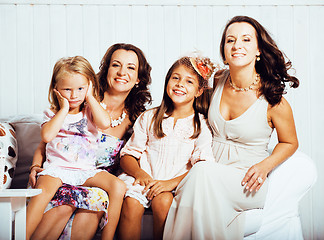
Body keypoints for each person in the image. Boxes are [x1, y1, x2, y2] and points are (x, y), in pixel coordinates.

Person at [163, 15, 299, 240]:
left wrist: (265, 166)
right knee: (201, 175)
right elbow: (185, 91)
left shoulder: (274, 100)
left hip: (245, 180)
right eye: (230, 40)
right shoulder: (217, 80)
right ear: (224, 50)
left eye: (246, 40)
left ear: (258, 50)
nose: (237, 45)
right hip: (207, 170)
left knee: (201, 173)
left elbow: (290, 142)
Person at [28, 43, 152, 240]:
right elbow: (47, 141)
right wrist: (35, 165)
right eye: (115, 65)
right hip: (59, 171)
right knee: (64, 205)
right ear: (105, 70)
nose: (122, 72)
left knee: (95, 203)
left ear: (139, 78)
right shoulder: (78, 97)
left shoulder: (139, 119)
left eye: (131, 67)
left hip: (94, 182)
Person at [117, 54, 216, 240]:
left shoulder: (201, 125)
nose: (180, 84)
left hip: (175, 185)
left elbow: (202, 167)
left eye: (189, 81)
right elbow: (128, 155)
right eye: (175, 78)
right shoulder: (150, 117)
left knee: (164, 202)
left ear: (199, 91)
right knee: (131, 203)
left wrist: (169, 184)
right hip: (144, 182)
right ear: (167, 81)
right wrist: (141, 174)